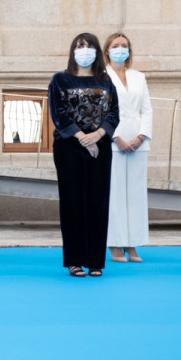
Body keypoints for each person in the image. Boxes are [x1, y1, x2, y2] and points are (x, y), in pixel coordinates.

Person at [47, 33, 119, 278]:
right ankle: (75, 260)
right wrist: (81, 136)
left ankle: (95, 261)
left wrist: (98, 135)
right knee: (72, 202)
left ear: (97, 52)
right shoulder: (60, 79)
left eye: (89, 46)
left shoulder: (106, 80)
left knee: (98, 201)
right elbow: (58, 113)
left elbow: (114, 114)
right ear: (72, 51)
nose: (84, 50)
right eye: (80, 46)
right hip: (69, 147)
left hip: (101, 146)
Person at [103, 32, 153, 264]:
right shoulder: (101, 76)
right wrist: (117, 137)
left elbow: (147, 109)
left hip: (137, 142)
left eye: (124, 45)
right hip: (113, 141)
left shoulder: (138, 77)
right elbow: (100, 111)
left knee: (135, 195)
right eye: (115, 45)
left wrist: (142, 136)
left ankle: (132, 243)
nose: (120, 49)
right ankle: (114, 242)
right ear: (107, 51)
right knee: (114, 194)